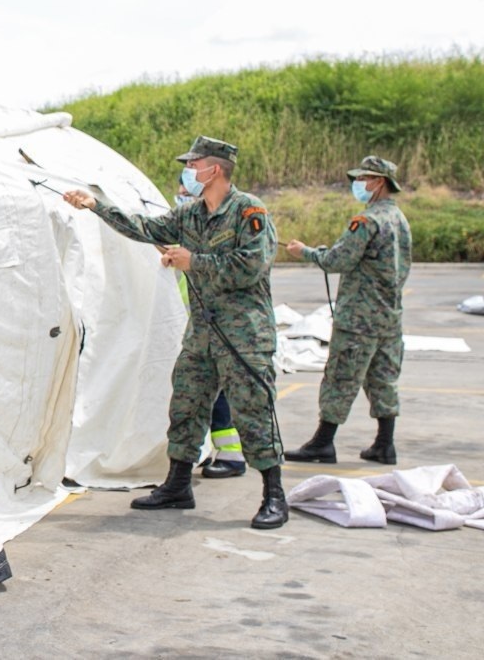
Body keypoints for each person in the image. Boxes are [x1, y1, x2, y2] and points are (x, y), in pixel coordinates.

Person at [64, 136, 286, 529]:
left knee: (253, 411)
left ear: (213, 169)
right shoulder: (192, 215)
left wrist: (192, 261)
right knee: (186, 406)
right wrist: (95, 206)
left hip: (244, 335)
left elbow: (253, 265)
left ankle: (274, 495)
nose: (188, 171)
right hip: (202, 333)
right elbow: (146, 228)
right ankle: (178, 485)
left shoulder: (249, 210)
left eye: (193, 164)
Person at [284, 156, 411, 465]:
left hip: (358, 318)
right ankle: (384, 444)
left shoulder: (366, 221)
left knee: (341, 377)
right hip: (388, 316)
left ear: (379, 181)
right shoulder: (399, 219)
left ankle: (322, 443)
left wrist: (306, 252)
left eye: (363, 178)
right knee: (383, 378)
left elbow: (337, 261)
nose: (358, 184)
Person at [175, 178, 247, 480]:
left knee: (217, 392)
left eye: (183, 193)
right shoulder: (191, 221)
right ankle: (202, 460)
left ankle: (232, 456)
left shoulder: (230, 218)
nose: (180, 197)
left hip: (217, 325)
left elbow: (239, 266)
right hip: (197, 324)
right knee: (199, 393)